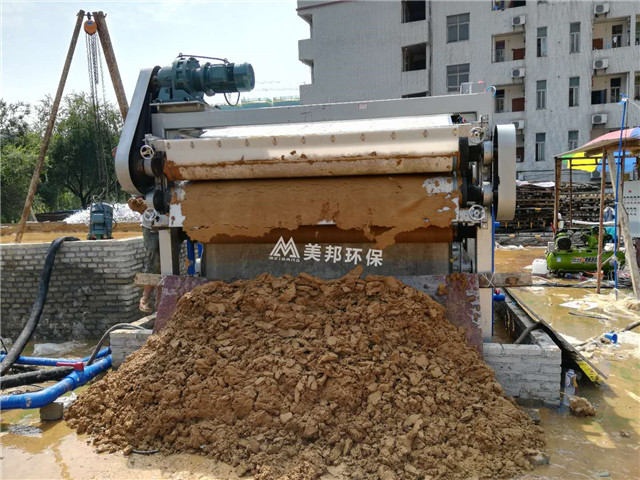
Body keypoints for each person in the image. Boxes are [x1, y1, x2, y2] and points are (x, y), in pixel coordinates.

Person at [127, 197, 160, 313]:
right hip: (150, 228)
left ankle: (159, 301)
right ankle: (145, 298)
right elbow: (133, 201)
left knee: (165, 264)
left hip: (168, 226)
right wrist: (138, 205)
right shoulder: (147, 187)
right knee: (153, 260)